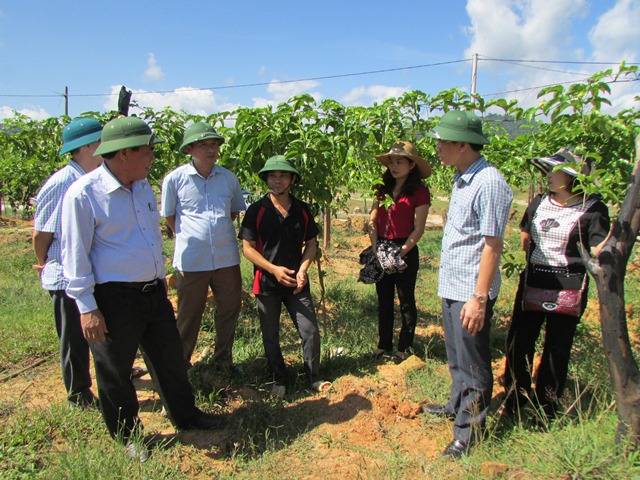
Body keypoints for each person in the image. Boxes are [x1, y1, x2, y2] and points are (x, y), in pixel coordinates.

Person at [61, 116, 224, 461]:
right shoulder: (84, 195)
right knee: (115, 370)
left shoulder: (142, 186)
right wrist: (87, 308)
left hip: (153, 291)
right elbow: (74, 255)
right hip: (112, 297)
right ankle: (128, 435)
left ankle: (186, 415)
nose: (152, 158)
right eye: (147, 152)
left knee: (170, 360)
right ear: (122, 154)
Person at [423, 110, 513, 459]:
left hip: (470, 291)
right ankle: (455, 406)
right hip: (453, 285)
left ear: (464, 145)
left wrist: (479, 298)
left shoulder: (489, 182)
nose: (438, 147)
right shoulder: (462, 178)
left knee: (474, 364)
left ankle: (468, 433)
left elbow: (492, 244)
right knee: (457, 356)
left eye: (444, 141)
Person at [502, 147, 610, 421]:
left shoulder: (593, 208)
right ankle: (516, 396)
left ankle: (547, 404)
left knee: (557, 346)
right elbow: (526, 236)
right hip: (535, 278)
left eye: (556, 170)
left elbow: (598, 250)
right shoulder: (540, 202)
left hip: (570, 285)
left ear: (574, 176)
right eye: (548, 170)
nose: (549, 175)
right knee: (519, 340)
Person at [238, 155, 330, 399]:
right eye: (272, 175)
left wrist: (303, 269)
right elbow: (247, 247)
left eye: (283, 175)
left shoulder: (302, 210)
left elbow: (311, 244)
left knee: (309, 330)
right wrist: (273, 269)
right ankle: (279, 377)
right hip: (267, 282)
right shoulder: (257, 210)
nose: (277, 180)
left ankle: (314, 376)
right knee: (270, 333)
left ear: (292, 179)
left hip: (297, 284)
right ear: (266, 178)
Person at [161, 122, 246, 370]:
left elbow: (232, 212)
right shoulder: (175, 180)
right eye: (203, 145)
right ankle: (181, 364)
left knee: (230, 308)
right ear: (189, 149)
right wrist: (190, 235)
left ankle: (223, 360)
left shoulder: (229, 178)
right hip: (192, 259)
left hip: (226, 257)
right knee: (189, 313)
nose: (211, 150)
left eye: (214, 144)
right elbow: (169, 216)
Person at [32, 117, 103, 409]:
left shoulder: (92, 178)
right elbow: (41, 233)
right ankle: (79, 393)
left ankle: (102, 373)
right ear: (87, 146)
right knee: (73, 337)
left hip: (88, 271)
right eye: (101, 141)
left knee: (94, 329)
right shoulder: (63, 182)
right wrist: (43, 262)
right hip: (64, 275)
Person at [368, 141, 431, 363]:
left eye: (400, 162)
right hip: (382, 246)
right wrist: (376, 248)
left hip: (405, 247)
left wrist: (400, 252)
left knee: (405, 299)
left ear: (411, 165)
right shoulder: (381, 188)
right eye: (392, 161)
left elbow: (419, 228)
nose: (395, 166)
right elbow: (373, 220)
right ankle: (383, 343)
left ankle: (404, 346)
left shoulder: (420, 192)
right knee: (383, 299)